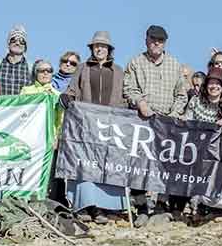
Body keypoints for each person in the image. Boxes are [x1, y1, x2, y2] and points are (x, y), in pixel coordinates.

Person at [122, 25, 190, 224]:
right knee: (139, 164)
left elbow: (181, 94)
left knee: (165, 164)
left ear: (165, 43)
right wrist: (140, 103)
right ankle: (142, 207)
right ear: (146, 40)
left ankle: (161, 204)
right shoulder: (135, 62)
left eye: (160, 40)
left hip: (167, 122)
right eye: (153, 39)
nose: (156, 43)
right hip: (142, 120)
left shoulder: (174, 64)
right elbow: (128, 88)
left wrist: (174, 114)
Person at [61, 30, 126, 224]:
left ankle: (102, 208)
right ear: (91, 48)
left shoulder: (119, 70)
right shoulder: (82, 68)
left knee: (106, 164)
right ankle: (84, 206)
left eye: (103, 46)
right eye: (96, 45)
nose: (99, 49)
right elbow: (72, 90)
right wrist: (67, 97)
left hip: (110, 126)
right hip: (85, 124)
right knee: (85, 165)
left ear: (109, 50)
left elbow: (124, 97)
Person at [0, 24, 32, 95]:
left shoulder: (32, 68)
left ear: (25, 47)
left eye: (22, 41)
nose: (17, 43)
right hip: (0, 106)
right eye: (13, 40)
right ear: (8, 44)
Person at [20, 60, 63, 134]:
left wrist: (58, 137)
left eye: (49, 71)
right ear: (36, 73)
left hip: (50, 135)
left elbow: (61, 119)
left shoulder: (58, 95)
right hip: (29, 133)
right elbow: (20, 112)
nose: (45, 73)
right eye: (42, 70)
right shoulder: (25, 91)